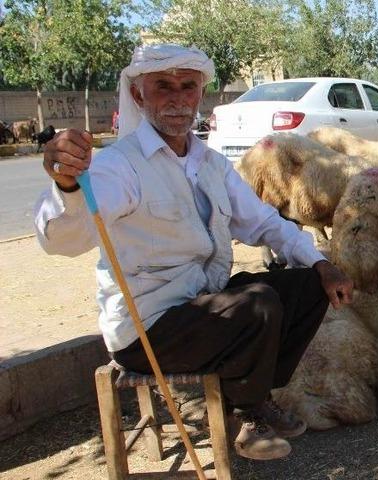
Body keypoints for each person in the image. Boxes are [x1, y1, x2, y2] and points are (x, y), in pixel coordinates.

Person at [34, 44, 354, 461]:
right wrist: (67, 187)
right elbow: (63, 239)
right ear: (138, 95)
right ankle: (249, 409)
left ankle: (251, 393)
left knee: (307, 285)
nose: (178, 98)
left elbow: (263, 222)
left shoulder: (210, 163)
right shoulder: (121, 165)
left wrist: (322, 263)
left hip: (205, 309)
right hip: (149, 330)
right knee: (259, 306)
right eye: (163, 86)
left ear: (199, 94)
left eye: (188, 87)